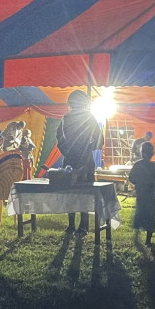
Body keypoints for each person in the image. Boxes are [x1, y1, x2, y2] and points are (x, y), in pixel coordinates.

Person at [56, 90, 101, 236]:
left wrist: (71, 151)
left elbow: (99, 140)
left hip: (78, 160)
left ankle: (79, 225)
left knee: (79, 192)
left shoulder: (76, 118)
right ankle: (77, 225)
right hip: (77, 159)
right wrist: (84, 149)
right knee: (76, 192)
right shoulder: (72, 118)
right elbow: (99, 140)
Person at [129, 141, 155, 253]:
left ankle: (136, 234)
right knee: (150, 215)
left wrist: (139, 183)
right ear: (152, 153)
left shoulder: (137, 165)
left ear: (141, 152)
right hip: (150, 193)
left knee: (139, 212)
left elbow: (131, 178)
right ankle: (148, 240)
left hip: (140, 192)